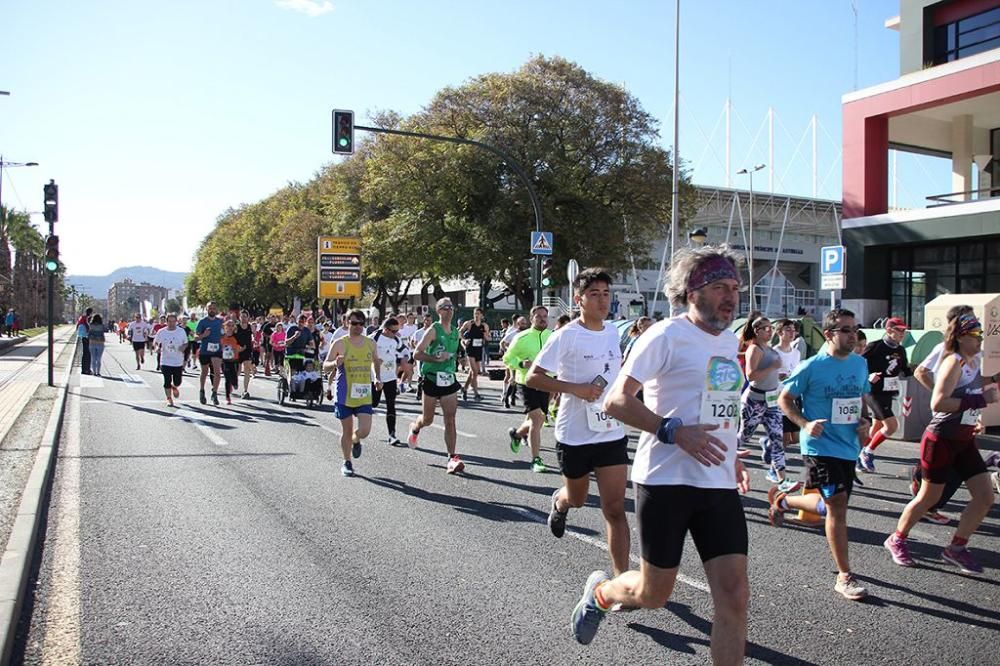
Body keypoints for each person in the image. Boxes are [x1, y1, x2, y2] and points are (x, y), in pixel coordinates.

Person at [569, 248, 751, 665]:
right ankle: (602, 593)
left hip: (717, 482)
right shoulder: (665, 335)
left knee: (734, 596)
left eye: (735, 289)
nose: (730, 296)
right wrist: (672, 429)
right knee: (654, 594)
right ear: (692, 292)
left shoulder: (727, 339)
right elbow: (615, 401)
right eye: (720, 287)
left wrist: (733, 452)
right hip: (666, 481)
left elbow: (718, 403)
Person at [527, 269, 630, 578]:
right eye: (594, 294)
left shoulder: (613, 331)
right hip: (575, 434)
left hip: (611, 430)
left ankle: (621, 581)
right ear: (579, 299)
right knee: (579, 498)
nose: (602, 300)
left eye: (606, 294)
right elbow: (534, 377)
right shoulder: (567, 335)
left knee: (614, 508)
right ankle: (560, 504)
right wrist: (576, 389)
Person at [884, 313, 998, 574]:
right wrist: (980, 401)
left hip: (964, 438)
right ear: (960, 337)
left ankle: (956, 548)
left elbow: (974, 391)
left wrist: (978, 409)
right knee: (928, 498)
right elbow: (939, 402)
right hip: (942, 437)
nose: (980, 340)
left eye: (982, 335)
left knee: (984, 497)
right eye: (976, 335)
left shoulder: (973, 361)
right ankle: (897, 539)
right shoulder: (953, 362)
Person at [771, 308, 872, 601]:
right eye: (846, 330)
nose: (853, 335)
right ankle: (845, 576)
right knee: (837, 505)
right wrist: (805, 424)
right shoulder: (811, 367)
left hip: (848, 445)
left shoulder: (859, 364)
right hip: (819, 446)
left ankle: (784, 499)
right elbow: (784, 399)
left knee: (831, 505)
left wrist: (864, 422)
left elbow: (860, 397)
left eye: (855, 329)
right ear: (829, 334)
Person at [740, 315, 800, 492]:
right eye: (766, 328)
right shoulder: (755, 349)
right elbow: (750, 376)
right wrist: (772, 368)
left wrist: (778, 374)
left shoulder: (772, 351)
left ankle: (782, 480)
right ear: (757, 331)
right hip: (754, 401)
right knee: (743, 437)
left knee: (777, 439)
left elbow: (772, 373)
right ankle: (718, 462)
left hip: (772, 402)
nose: (770, 331)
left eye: (771, 328)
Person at [408, 297, 465, 474]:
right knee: (428, 419)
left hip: (448, 378)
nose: (450, 310)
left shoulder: (455, 332)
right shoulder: (434, 330)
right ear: (439, 311)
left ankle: (452, 457)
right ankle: (415, 427)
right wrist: (435, 358)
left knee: (450, 418)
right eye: (446, 308)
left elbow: (457, 353)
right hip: (432, 378)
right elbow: (417, 354)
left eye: (451, 307)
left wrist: (462, 360)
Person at [325, 309, 380, 477]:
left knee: (365, 430)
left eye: (361, 324)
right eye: (354, 323)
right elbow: (325, 365)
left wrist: (377, 377)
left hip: (363, 393)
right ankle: (347, 461)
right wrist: (335, 362)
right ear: (347, 323)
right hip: (344, 394)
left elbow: (375, 361)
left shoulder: (370, 343)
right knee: (346, 431)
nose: (358, 327)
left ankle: (356, 440)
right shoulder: (340, 343)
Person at [858, 317, 912, 473]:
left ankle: (859, 455)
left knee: (878, 426)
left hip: (888, 392)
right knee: (892, 426)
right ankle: (868, 452)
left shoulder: (900, 350)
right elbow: (858, 364)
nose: (902, 333)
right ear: (889, 330)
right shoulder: (875, 347)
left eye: (904, 330)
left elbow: (905, 369)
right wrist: (868, 376)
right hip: (873, 391)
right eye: (899, 330)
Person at [503, 305, 551, 473]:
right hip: (526, 382)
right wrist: (521, 364)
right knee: (537, 419)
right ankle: (535, 459)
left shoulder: (553, 337)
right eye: (538, 316)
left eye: (545, 316)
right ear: (531, 319)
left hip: (547, 382)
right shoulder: (521, 337)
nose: (542, 319)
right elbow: (507, 358)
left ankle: (516, 435)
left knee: (536, 420)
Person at [371, 317, 405, 446]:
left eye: (398, 331)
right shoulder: (374, 338)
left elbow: (404, 350)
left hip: (390, 377)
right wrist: (373, 362)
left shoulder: (396, 339)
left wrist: (405, 359)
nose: (396, 334)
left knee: (391, 404)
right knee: (374, 403)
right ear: (385, 329)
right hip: (375, 377)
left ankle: (392, 435)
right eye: (394, 331)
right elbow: (364, 353)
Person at [773, 319, 801, 449]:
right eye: (788, 330)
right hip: (777, 397)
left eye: (793, 330)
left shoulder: (796, 353)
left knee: (796, 438)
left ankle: (767, 443)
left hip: (792, 396)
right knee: (784, 439)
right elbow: (767, 374)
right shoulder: (774, 352)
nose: (792, 333)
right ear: (779, 332)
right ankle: (776, 466)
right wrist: (777, 376)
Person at [154, 314, 188, 407]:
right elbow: (156, 342)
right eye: (169, 321)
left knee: (178, 381)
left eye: (173, 321)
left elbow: (186, 343)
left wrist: (183, 347)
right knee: (167, 380)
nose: (171, 323)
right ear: (166, 322)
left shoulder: (181, 331)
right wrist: (157, 348)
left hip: (177, 361)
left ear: (176, 322)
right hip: (165, 360)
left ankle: (174, 386)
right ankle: (169, 398)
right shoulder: (161, 332)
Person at [196, 302, 224, 406]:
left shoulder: (220, 321)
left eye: (213, 308)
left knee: (217, 372)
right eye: (210, 308)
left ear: (216, 309)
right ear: (207, 310)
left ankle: (214, 393)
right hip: (205, 351)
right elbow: (196, 337)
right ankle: (202, 391)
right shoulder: (202, 322)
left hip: (217, 350)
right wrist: (204, 335)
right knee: (204, 372)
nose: (212, 310)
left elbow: (223, 334)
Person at [459, 308, 490, 401]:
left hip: (479, 349)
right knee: (475, 371)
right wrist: (464, 340)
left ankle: (464, 389)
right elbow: (459, 332)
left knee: (473, 373)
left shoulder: (484, 326)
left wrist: (486, 337)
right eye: (475, 314)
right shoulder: (469, 324)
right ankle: (476, 394)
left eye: (478, 314)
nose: (476, 315)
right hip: (470, 349)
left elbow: (488, 338)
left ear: (482, 316)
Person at [500, 316, 529, 408]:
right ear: (518, 324)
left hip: (524, 360)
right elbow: (502, 343)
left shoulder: (528, 333)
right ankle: (506, 398)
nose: (524, 325)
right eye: (522, 323)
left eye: (525, 323)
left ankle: (513, 398)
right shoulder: (513, 334)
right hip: (514, 360)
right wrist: (507, 351)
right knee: (513, 379)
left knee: (521, 380)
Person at [219, 319, 244, 405]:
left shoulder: (236, 336)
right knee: (227, 378)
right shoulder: (221, 337)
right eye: (228, 326)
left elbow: (243, 345)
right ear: (225, 327)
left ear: (234, 327)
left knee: (234, 376)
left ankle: (235, 383)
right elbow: (218, 347)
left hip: (234, 359)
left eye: (231, 326)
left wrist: (239, 349)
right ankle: (227, 397)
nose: (229, 328)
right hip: (224, 360)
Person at [235, 310, 254, 399]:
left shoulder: (250, 327)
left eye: (245, 317)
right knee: (238, 371)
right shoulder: (236, 327)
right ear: (239, 317)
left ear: (248, 317)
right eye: (242, 316)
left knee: (247, 370)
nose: (243, 318)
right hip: (237, 350)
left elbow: (254, 337)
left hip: (247, 350)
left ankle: (245, 390)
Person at [77, 308, 93, 374]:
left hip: (83, 336)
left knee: (85, 353)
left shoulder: (82, 317)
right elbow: (88, 327)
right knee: (88, 354)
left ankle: (84, 370)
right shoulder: (87, 318)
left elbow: (77, 325)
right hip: (87, 336)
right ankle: (87, 370)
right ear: (90, 312)